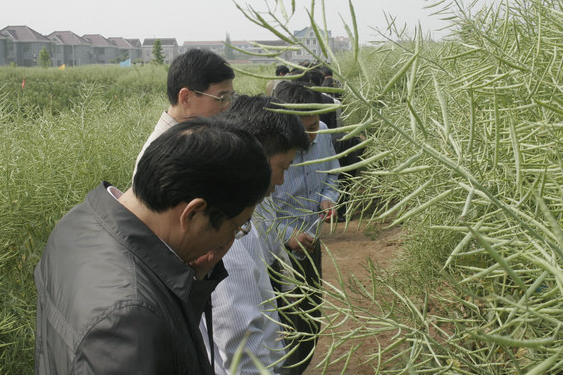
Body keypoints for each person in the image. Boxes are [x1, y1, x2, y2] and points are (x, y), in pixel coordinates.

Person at [34, 117, 271, 375]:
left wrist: (192, 280)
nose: (230, 240)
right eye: (236, 227)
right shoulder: (130, 320)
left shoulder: (78, 222)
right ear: (193, 213)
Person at [204, 94, 309, 375]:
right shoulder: (229, 229)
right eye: (282, 168)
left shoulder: (248, 208)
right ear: (256, 156)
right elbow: (240, 340)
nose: (281, 181)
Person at [271, 81, 341, 374]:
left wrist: (328, 198)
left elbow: (333, 175)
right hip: (276, 253)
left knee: (311, 317)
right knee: (285, 324)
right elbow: (256, 214)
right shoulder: (268, 151)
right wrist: (287, 236)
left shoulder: (322, 133)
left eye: (314, 125)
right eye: (304, 128)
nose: (311, 134)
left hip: (310, 243)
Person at [133, 49, 235, 174]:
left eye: (230, 97)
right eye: (222, 98)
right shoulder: (162, 156)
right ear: (186, 97)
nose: (227, 106)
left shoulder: (195, 137)